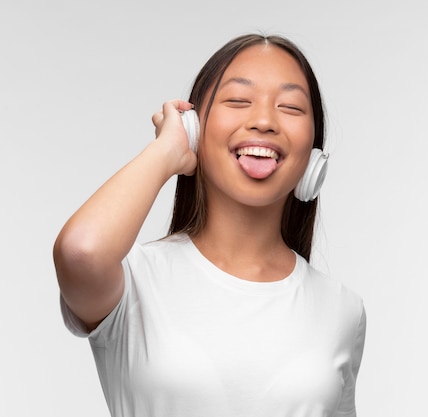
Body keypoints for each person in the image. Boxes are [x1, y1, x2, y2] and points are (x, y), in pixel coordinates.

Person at [53, 33, 366, 417]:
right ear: (195, 129)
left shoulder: (342, 309)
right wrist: (167, 152)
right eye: (238, 100)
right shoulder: (134, 281)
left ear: (313, 153)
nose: (265, 121)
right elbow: (80, 250)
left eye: (290, 107)